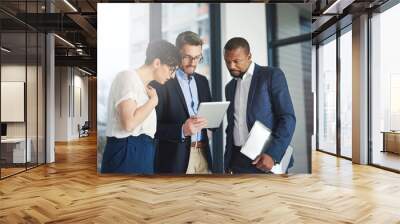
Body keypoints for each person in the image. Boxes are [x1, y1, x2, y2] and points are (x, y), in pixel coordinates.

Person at [101, 40, 180, 174]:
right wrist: (153, 101)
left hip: (143, 153)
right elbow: (129, 123)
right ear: (157, 63)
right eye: (171, 69)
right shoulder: (127, 77)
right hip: (127, 151)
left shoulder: (146, 88)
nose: (172, 76)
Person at [223, 37, 296, 174]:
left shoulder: (271, 75)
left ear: (249, 56)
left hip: (266, 159)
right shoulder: (230, 87)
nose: (231, 66)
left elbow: (288, 118)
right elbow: (232, 126)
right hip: (237, 161)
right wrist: (228, 161)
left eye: (236, 61)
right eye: (227, 61)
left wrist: (272, 154)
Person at [152, 31, 213, 174]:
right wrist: (182, 130)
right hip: (175, 159)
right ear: (177, 53)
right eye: (187, 57)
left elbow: (209, 120)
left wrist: (212, 122)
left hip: (203, 154)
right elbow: (153, 127)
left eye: (197, 57)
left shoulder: (203, 82)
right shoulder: (162, 82)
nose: (193, 63)